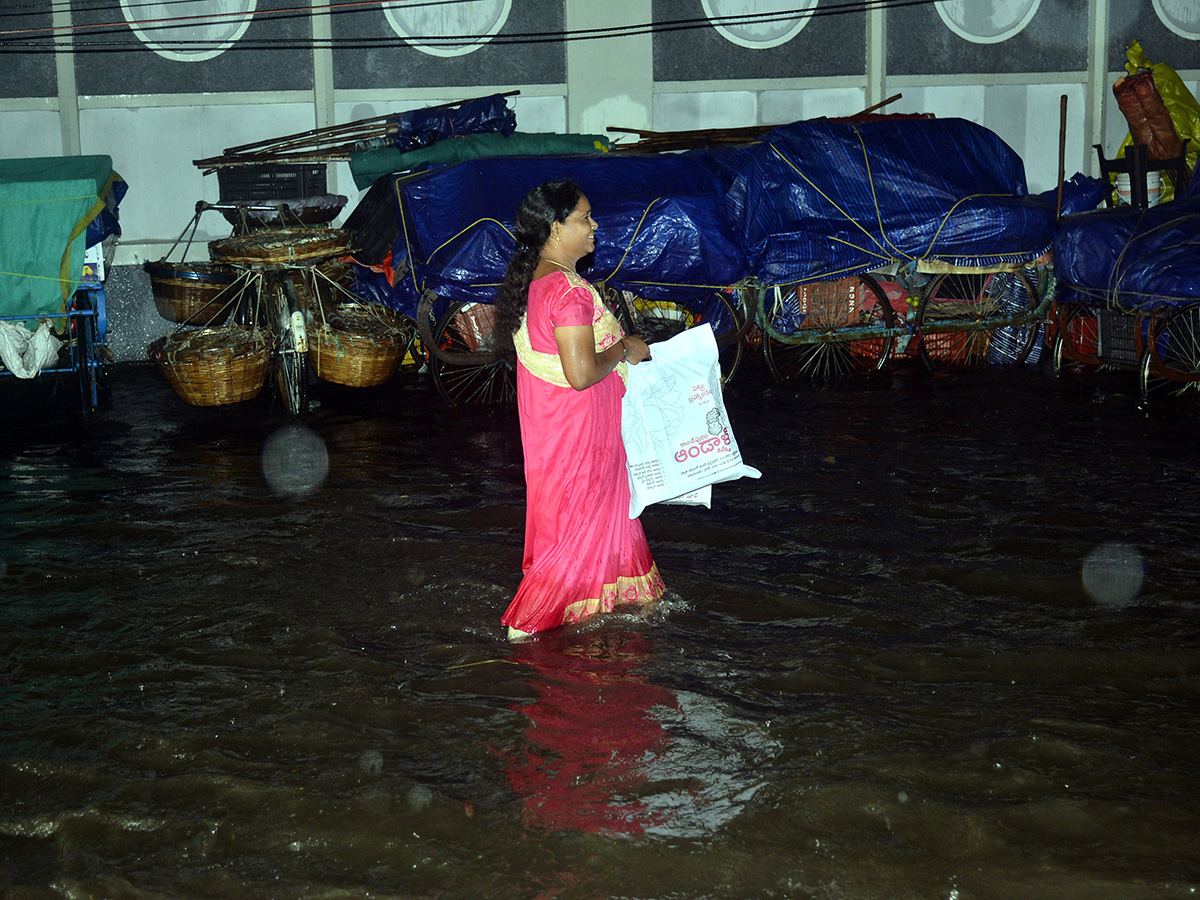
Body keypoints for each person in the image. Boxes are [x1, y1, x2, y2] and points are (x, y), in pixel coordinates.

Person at [494, 180, 665, 640]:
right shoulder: (568, 292)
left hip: (556, 428)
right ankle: (532, 621)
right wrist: (624, 348)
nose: (594, 226)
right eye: (584, 219)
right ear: (554, 229)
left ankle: (631, 599)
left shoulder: (538, 283)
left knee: (586, 517)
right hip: (580, 432)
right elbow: (582, 373)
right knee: (583, 519)